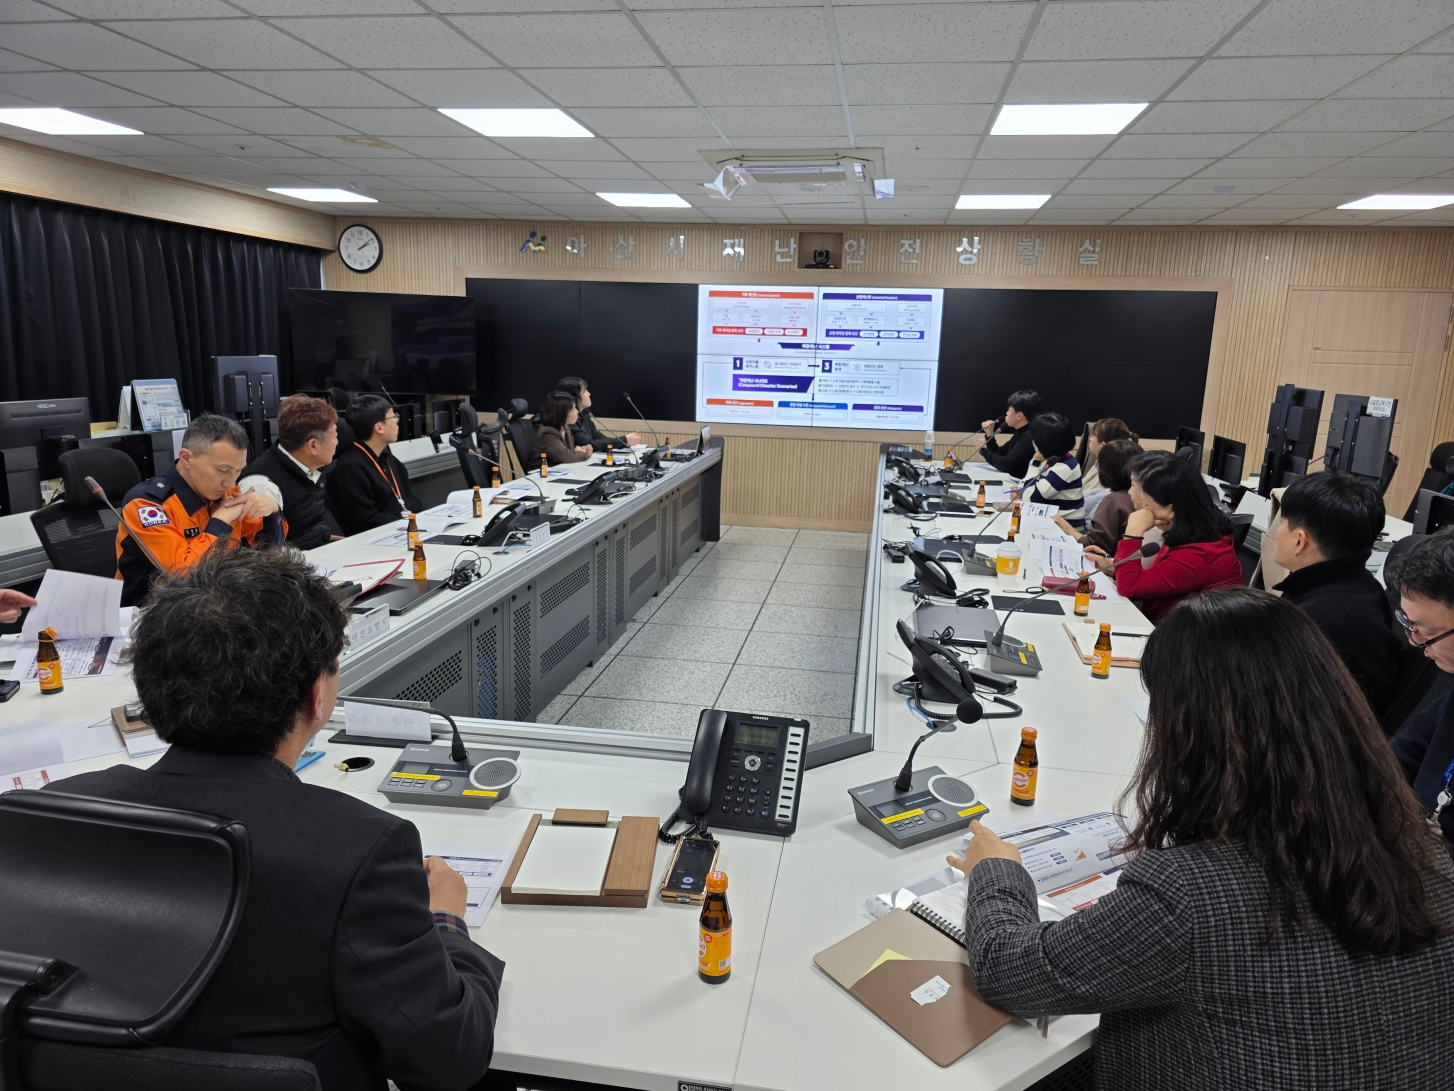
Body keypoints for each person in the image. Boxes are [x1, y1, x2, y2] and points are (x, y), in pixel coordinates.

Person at [948, 588, 1454, 1090]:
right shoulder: (1430, 852)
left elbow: (1012, 972)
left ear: (1193, 732)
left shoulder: (1190, 894)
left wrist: (996, 871)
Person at [47, 548, 504, 1090]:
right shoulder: (357, 852)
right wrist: (445, 922)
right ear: (317, 695)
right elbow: (451, 1056)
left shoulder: (56, 813)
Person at [114, 414, 283, 607]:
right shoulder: (147, 504)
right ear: (186, 458)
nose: (231, 482)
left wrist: (272, 512)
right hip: (153, 614)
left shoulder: (226, 491)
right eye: (222, 470)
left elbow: (269, 556)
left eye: (238, 471)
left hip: (219, 605)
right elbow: (182, 574)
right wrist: (220, 522)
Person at [1273, 472, 1403, 717]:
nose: (1278, 532)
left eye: (1282, 523)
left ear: (1300, 541)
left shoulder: (1312, 622)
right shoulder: (1361, 585)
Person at [1089, 454, 1240, 622]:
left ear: (1172, 509)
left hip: (1190, 641)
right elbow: (1156, 578)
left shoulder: (1198, 555)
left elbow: (1129, 588)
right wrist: (1109, 565)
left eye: (1146, 505)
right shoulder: (1192, 536)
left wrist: (1132, 533)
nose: (1143, 513)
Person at [1390, 531, 1454, 849]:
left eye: (1424, 629)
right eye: (1408, 623)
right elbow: (1397, 758)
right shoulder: (1447, 702)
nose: (1415, 641)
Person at [239, 394, 342, 550]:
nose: (337, 442)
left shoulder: (313, 467)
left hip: (318, 553)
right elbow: (262, 555)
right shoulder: (262, 485)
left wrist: (323, 538)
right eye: (334, 436)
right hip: (291, 568)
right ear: (313, 446)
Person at [327, 394, 421, 536]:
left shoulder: (386, 457)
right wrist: (410, 523)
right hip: (383, 538)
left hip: (407, 530)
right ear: (379, 427)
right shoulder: (350, 467)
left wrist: (427, 519)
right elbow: (365, 520)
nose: (397, 422)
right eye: (393, 417)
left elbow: (410, 500)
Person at [1056, 437, 1142, 553]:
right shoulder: (1141, 496)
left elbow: (1093, 547)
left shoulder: (1114, 501)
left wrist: (1066, 527)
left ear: (1105, 469)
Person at [1013, 411, 1085, 530]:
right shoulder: (1053, 459)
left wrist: (1035, 463)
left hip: (1064, 529)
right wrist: (1021, 489)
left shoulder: (1064, 467)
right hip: (1049, 522)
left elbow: (1030, 499)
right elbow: (1030, 484)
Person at [556, 376, 640, 451]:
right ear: (575, 396)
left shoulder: (584, 414)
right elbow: (590, 444)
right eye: (585, 390)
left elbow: (599, 438)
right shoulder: (567, 420)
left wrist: (624, 442)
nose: (589, 393)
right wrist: (625, 440)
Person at [974, 389, 1041, 478]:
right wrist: (990, 434)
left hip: (1018, 486)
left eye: (1009, 410)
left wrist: (983, 451)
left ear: (1019, 415)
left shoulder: (1029, 437)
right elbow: (1001, 453)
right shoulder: (1020, 433)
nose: (1006, 413)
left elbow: (1006, 465)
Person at [1076, 417, 1137, 493]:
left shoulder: (1108, 477)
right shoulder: (1099, 465)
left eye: (1093, 436)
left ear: (1103, 445)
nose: (1090, 438)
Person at [532, 390, 591, 467]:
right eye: (573, 409)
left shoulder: (565, 428)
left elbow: (566, 453)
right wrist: (582, 454)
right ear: (562, 413)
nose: (577, 412)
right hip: (542, 475)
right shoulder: (548, 433)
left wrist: (576, 451)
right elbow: (565, 457)